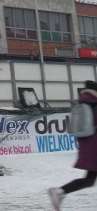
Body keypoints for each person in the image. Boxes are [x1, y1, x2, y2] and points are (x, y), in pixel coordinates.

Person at [48, 80, 97, 210]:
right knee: (89, 179)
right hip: (95, 147)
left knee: (89, 180)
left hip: (88, 146)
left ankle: (60, 191)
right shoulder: (94, 104)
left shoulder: (83, 104)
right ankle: (60, 191)